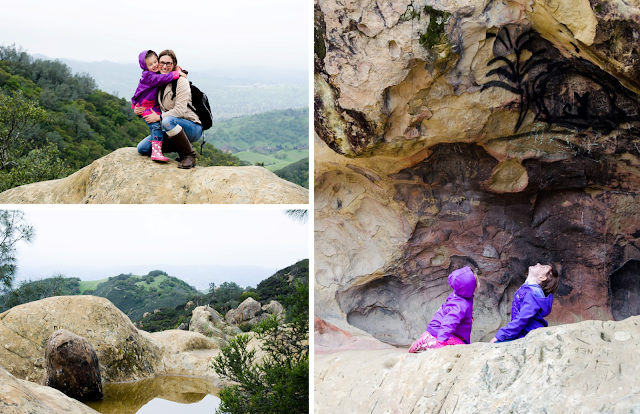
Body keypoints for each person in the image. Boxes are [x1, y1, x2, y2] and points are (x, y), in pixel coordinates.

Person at [135, 49, 202, 169]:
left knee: (167, 121)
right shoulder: (159, 82)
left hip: (191, 127)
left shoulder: (181, 82)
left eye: (168, 63)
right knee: (142, 148)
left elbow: (179, 111)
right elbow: (148, 100)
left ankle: (189, 155)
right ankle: (180, 149)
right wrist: (138, 109)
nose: (164, 66)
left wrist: (159, 117)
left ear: (174, 64)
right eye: (162, 63)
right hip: (173, 129)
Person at [131, 50, 186, 162]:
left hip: (152, 106)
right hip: (146, 107)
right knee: (156, 128)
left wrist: (177, 70)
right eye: (150, 64)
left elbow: (163, 75)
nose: (155, 65)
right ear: (145, 67)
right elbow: (162, 79)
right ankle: (156, 152)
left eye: (155, 62)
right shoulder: (149, 76)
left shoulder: (154, 74)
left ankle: (157, 147)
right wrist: (176, 74)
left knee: (157, 129)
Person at [408, 266, 477, 352]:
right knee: (463, 349)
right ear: (470, 286)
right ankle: (430, 341)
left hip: (437, 330)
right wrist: (441, 341)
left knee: (463, 346)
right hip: (439, 333)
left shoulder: (459, 295)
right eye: (476, 281)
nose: (479, 282)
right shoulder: (460, 305)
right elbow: (448, 322)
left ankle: (429, 338)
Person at [490, 263, 559, 343]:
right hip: (522, 334)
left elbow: (522, 317)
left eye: (543, 267)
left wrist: (502, 334)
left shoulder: (533, 293)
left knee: (496, 344)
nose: (538, 264)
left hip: (529, 336)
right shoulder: (528, 289)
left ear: (542, 277)